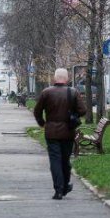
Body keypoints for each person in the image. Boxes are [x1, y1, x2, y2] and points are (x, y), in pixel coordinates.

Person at [34, 68, 86, 200]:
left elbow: (37, 111)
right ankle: (64, 186)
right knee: (65, 160)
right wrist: (73, 114)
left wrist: (42, 123)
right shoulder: (73, 92)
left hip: (51, 131)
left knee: (55, 160)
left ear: (54, 78)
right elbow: (83, 110)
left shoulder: (46, 92)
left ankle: (58, 190)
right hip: (68, 131)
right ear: (67, 78)